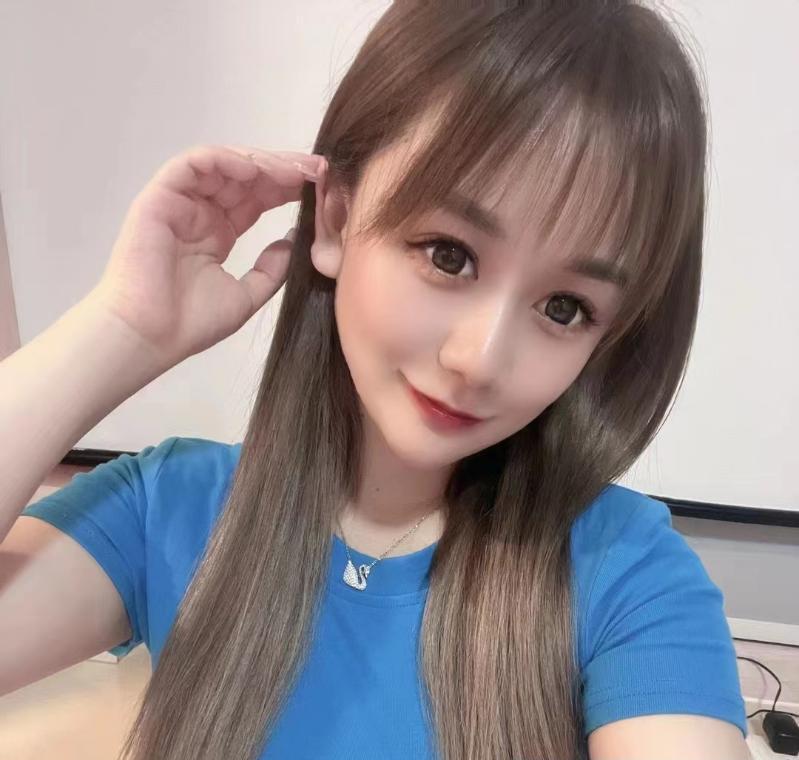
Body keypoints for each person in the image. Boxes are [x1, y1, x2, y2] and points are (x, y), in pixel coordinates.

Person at [0, 2, 751, 759]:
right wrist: (122, 330)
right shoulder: (170, 511)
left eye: (565, 308)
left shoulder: (626, 577)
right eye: (449, 255)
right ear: (334, 218)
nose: (480, 359)